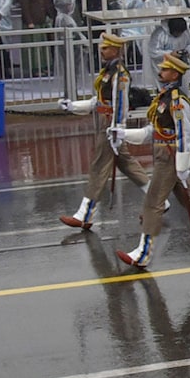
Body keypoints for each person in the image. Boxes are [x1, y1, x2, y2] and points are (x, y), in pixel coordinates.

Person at [116, 53, 190, 269]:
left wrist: (182, 166)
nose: (160, 71)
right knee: (189, 199)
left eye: (165, 69)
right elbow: (154, 130)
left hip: (171, 157)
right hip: (164, 153)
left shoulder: (177, 101)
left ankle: (144, 253)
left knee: (153, 202)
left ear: (175, 74)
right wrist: (125, 135)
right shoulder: (163, 97)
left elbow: (185, 133)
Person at [58, 33, 148, 230]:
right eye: (102, 47)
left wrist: (117, 129)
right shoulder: (107, 72)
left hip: (110, 124)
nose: (102, 50)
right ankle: (158, 201)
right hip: (103, 121)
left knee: (99, 166)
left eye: (106, 48)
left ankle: (85, 214)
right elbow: (97, 100)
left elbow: (120, 103)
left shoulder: (119, 74)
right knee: (127, 165)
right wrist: (73, 106)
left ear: (116, 50)